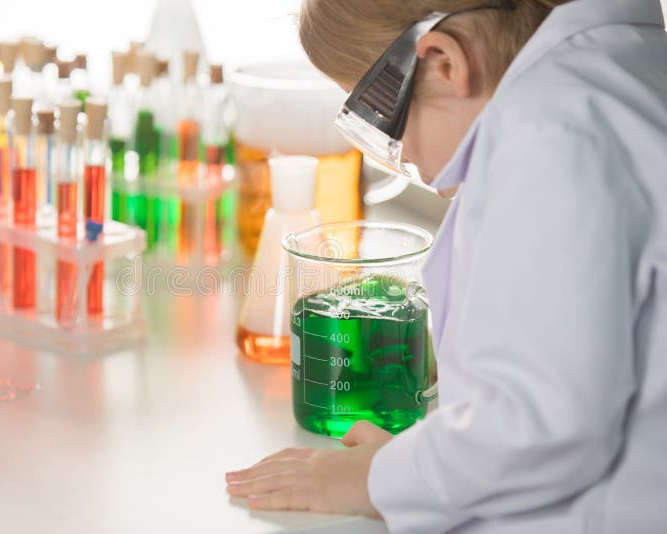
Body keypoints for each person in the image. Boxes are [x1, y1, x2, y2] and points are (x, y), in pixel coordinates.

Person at [225, 0, 667, 532]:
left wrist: (371, 479)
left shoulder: (548, 136)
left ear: (443, 63)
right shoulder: (620, 73)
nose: (397, 150)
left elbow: (540, 425)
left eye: (378, 116)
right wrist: (441, 448)